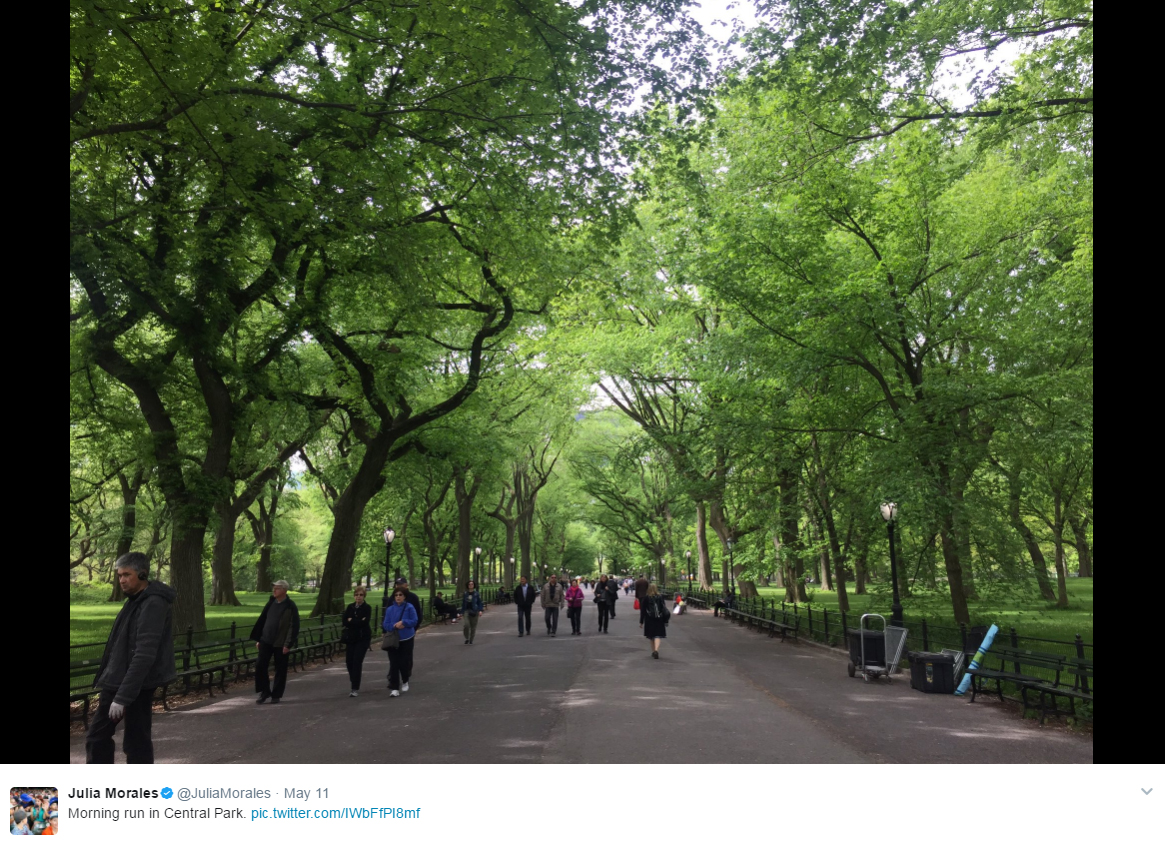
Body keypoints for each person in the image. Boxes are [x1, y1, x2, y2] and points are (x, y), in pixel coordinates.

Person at [87, 551, 176, 764]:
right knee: (132, 739)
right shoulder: (136, 600)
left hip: (133, 683)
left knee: (120, 738)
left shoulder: (153, 603)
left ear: (143, 575)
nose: (122, 580)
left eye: (126, 574)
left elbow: (145, 653)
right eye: (119, 575)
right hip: (122, 679)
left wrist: (122, 697)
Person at [250, 580, 300, 705]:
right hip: (266, 640)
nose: (274, 590)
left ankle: (276, 695)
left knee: (280, 669)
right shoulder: (271, 602)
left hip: (280, 643)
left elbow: (293, 627)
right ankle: (265, 691)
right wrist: (259, 638)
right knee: (260, 665)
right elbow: (263, 620)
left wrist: (288, 644)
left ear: (284, 590)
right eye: (274, 588)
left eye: (277, 588)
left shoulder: (290, 606)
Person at [383, 587, 419, 696]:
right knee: (394, 663)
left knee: (404, 662)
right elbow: (385, 624)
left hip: (406, 638)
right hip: (393, 639)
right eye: (396, 595)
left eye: (400, 595)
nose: (398, 597)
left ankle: (405, 680)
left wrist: (404, 622)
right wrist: (394, 625)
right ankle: (394, 688)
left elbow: (414, 620)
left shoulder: (409, 607)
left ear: (404, 596)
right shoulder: (390, 609)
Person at [342, 586, 373, 697]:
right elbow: (345, 621)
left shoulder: (367, 608)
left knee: (357, 661)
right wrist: (357, 621)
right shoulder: (350, 607)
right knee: (349, 662)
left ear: (364, 596)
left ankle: (355, 687)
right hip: (351, 638)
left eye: (360, 595)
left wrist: (352, 621)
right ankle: (354, 679)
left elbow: (364, 623)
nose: (358, 597)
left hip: (362, 638)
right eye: (356, 595)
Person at [640, 582, 670, 659]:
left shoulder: (646, 598)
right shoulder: (660, 597)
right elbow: (663, 608)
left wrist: (641, 621)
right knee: (658, 635)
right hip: (659, 618)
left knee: (651, 636)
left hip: (649, 618)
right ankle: (656, 650)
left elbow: (643, 610)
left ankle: (653, 651)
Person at [461, 580, 484, 644]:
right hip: (467, 611)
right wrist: (461, 612)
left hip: (475, 611)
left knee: (473, 626)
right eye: (469, 584)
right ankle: (467, 638)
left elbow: (479, 602)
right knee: (466, 625)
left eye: (472, 584)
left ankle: (471, 639)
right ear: (467, 586)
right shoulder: (465, 594)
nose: (470, 585)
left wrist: (480, 610)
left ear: (474, 585)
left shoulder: (476, 594)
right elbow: (463, 603)